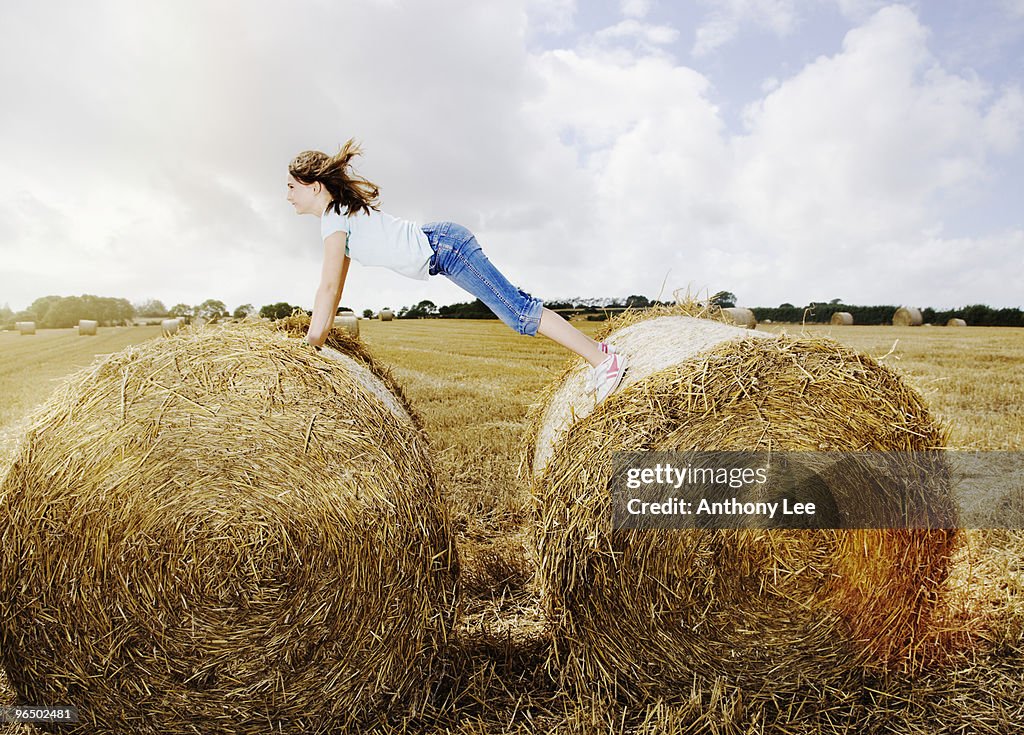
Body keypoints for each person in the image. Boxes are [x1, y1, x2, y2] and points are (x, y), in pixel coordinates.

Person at [286, 139, 628, 404]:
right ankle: (601, 351)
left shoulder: (334, 218)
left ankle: (603, 362)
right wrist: (317, 341)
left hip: (446, 248)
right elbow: (334, 290)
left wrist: (308, 347)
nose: (287, 195)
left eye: (291, 186)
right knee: (519, 307)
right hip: (444, 246)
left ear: (314, 186)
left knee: (519, 314)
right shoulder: (339, 218)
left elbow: (327, 289)